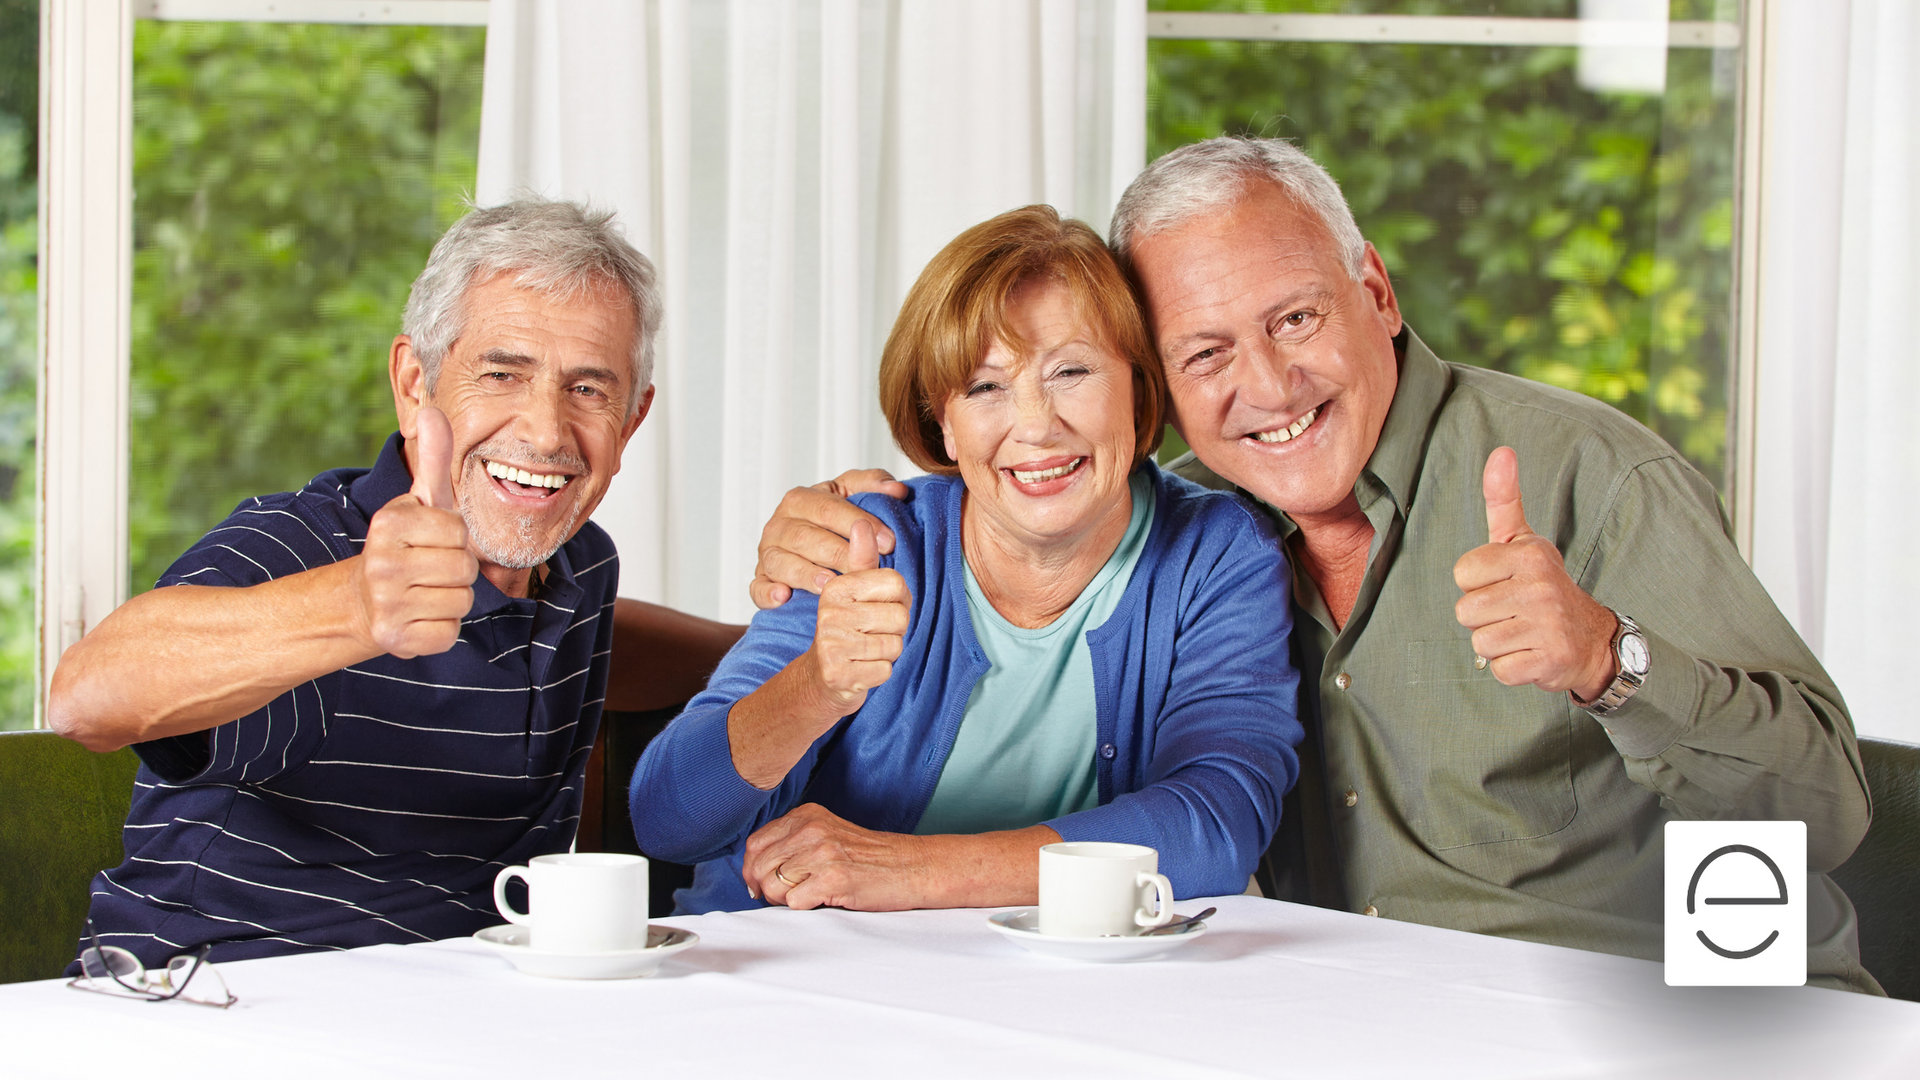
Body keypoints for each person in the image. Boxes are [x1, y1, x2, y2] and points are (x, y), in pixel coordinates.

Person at [748, 139, 1880, 992]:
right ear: (1159, 384)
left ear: (1376, 294)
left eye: (1294, 319)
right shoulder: (1184, 535)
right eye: (1206, 352)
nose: (1269, 387)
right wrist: (844, 532)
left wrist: (1606, 661)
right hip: (1359, 1020)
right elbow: (1003, 524)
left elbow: (1824, 815)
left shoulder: (1584, 474)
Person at [48, 198, 739, 966]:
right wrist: (357, 605)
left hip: (451, 1019)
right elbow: (88, 697)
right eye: (502, 373)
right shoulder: (307, 549)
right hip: (216, 1006)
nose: (545, 432)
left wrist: (776, 646)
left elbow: (605, 643)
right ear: (415, 384)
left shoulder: (579, 569)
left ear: (632, 419)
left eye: (587, 390)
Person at [629, 206, 1302, 913]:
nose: (1037, 426)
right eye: (986, 387)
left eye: (1071, 370)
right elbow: (668, 819)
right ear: (943, 422)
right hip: (780, 971)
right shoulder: (874, 543)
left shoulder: (1215, 555)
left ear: (1138, 392)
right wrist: (818, 687)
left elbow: (1218, 824)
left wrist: (912, 872)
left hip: (1018, 995)